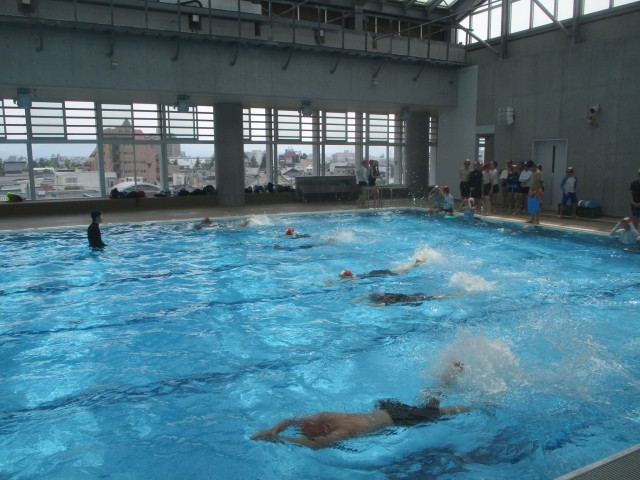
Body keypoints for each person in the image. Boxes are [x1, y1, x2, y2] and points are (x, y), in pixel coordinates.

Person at [251, 365, 470, 450]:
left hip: (392, 416)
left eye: (307, 425)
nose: (306, 423)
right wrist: (277, 435)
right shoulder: (336, 428)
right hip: (390, 412)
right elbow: (312, 442)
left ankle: (461, 395)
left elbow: (293, 424)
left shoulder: (330, 422)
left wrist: (274, 433)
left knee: (435, 413)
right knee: (430, 411)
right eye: (307, 427)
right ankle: (449, 387)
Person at [354, 291, 462, 306]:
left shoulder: (386, 300)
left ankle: (453, 296)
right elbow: (368, 295)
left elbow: (381, 305)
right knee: (432, 296)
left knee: (432, 298)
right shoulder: (387, 294)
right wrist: (361, 299)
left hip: (412, 300)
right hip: (412, 295)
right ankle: (452, 294)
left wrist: (365, 305)